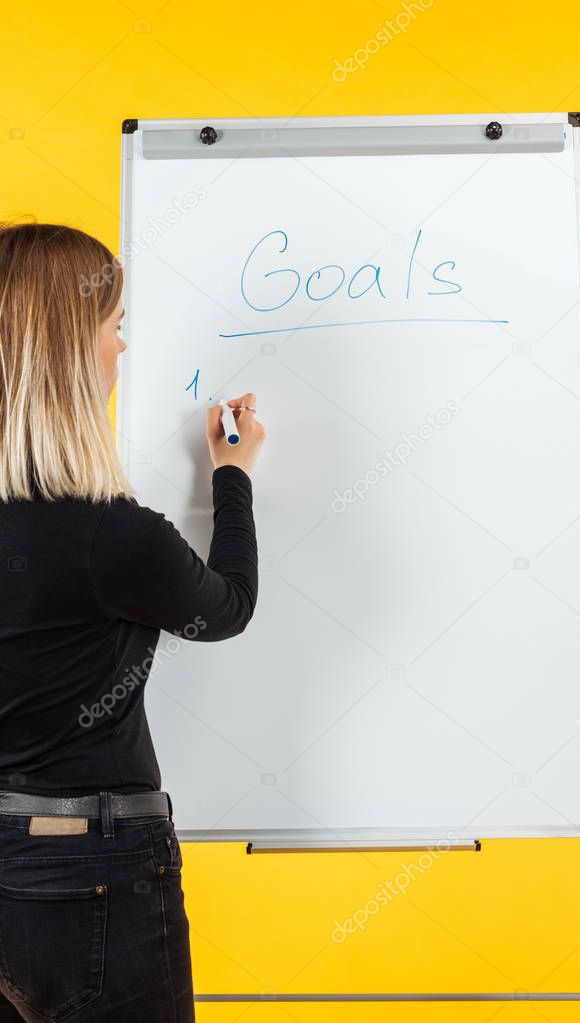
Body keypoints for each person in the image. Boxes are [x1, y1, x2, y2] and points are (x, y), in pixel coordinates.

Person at [0, 221, 265, 1022]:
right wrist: (232, 475)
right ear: (71, 347)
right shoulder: (109, 533)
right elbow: (226, 609)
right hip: (94, 866)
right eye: (117, 326)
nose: (124, 348)